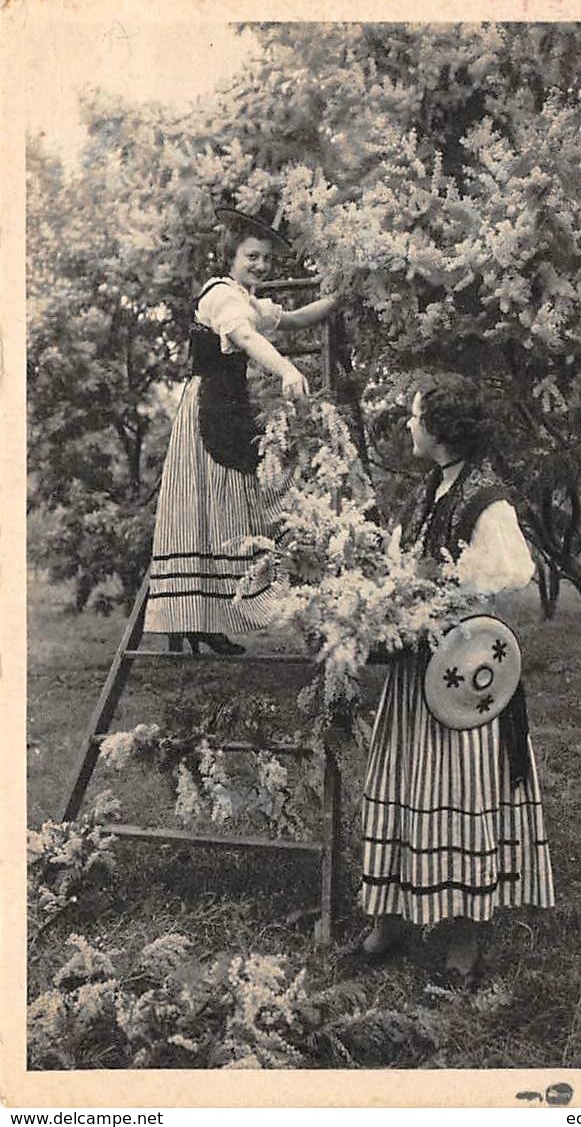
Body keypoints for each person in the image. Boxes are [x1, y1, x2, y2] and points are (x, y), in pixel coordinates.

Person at [361, 384, 555, 983]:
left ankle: (464, 936)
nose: (409, 425)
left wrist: (440, 589)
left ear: (439, 430)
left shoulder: (485, 499)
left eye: (416, 417)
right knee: (402, 778)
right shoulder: (431, 489)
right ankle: (391, 916)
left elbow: (507, 573)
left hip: (462, 677)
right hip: (417, 671)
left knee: (461, 792)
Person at [144, 208, 339, 654]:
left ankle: (209, 615)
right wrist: (287, 368)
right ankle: (197, 617)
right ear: (230, 256)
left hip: (228, 407)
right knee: (213, 503)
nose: (260, 266)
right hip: (209, 409)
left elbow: (292, 319)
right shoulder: (221, 297)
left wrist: (342, 298)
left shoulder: (244, 298)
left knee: (232, 499)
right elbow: (248, 339)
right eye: (252, 256)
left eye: (266, 260)